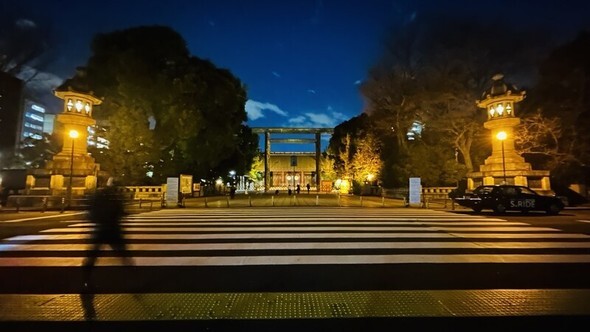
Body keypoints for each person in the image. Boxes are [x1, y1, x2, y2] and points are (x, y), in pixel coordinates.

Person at [82, 177, 133, 287]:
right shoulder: (115, 196)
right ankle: (132, 278)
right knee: (123, 254)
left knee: (92, 255)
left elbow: (91, 209)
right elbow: (120, 211)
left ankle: (86, 279)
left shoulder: (99, 194)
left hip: (100, 228)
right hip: (113, 229)